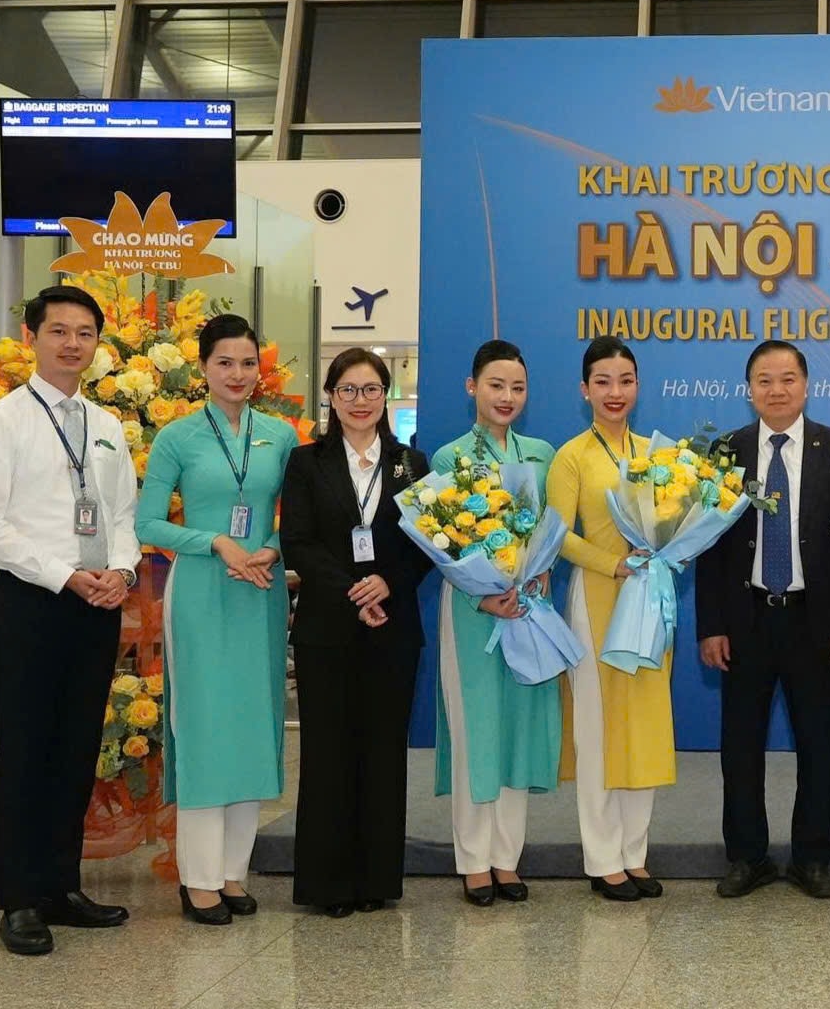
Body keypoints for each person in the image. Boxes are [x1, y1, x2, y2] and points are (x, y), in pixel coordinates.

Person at [0, 285, 140, 956]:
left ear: (98, 342)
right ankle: (19, 899)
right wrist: (63, 573)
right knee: (25, 751)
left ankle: (61, 885)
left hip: (96, 604)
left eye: (85, 331)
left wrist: (120, 571)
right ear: (32, 336)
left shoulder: (107, 425)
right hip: (32, 601)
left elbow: (121, 514)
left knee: (73, 749)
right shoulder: (2, 422)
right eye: (59, 330)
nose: (72, 342)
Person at [135, 314, 297, 926]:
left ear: (262, 370)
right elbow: (146, 524)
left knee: (253, 725)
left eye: (248, 363)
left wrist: (273, 546)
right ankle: (198, 877)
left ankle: (234, 873)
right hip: (202, 589)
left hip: (261, 588)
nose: (237, 374)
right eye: (225, 362)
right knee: (202, 726)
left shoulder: (279, 436)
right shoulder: (177, 438)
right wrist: (215, 542)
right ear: (202, 367)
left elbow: (299, 514)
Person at [698, 340, 830, 900]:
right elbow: (708, 544)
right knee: (739, 746)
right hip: (744, 620)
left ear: (807, 384)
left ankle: (813, 858)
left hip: (814, 623)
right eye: (765, 380)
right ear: (749, 389)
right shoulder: (725, 450)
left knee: (817, 745)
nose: (777, 389)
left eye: (788, 378)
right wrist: (711, 625)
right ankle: (747, 857)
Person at [278, 347, 429, 917]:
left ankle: (376, 881)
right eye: (348, 390)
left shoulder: (412, 464)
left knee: (383, 752)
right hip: (326, 627)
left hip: (393, 627)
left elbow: (427, 544)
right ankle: (326, 884)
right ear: (331, 397)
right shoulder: (306, 462)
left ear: (385, 396)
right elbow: (298, 540)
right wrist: (352, 589)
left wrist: (386, 584)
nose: (360, 401)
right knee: (327, 752)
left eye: (370, 390)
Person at [429, 340, 563, 907]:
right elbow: (443, 544)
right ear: (472, 388)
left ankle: (507, 858)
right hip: (471, 613)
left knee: (517, 733)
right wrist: (485, 597)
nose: (507, 397)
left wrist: (538, 575)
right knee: (475, 733)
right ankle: (473, 860)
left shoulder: (541, 454)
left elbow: (550, 533)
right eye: (496, 386)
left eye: (517, 388)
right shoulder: (449, 457)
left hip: (528, 609)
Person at [547, 336, 675, 902]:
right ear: (584, 389)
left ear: (638, 386)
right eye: (603, 381)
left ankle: (635, 854)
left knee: (643, 724)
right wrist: (612, 565)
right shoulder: (572, 454)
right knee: (598, 728)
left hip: (650, 600)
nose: (615, 391)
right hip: (596, 599)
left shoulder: (657, 455)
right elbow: (556, 534)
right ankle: (602, 860)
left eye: (625, 380)